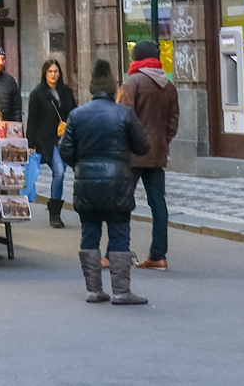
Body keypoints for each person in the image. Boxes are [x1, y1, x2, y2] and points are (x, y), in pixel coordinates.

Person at [60, 59, 150, 305]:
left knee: (90, 231)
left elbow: (65, 151)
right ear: (113, 89)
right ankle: (121, 291)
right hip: (118, 184)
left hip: (86, 185)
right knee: (120, 231)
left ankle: (93, 290)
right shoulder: (124, 114)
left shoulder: (76, 115)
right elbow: (143, 147)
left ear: (91, 89)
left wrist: (82, 166)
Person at [117, 41, 178, 270]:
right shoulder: (168, 86)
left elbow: (123, 117)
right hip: (157, 153)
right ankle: (158, 255)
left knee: (121, 203)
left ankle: (116, 252)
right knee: (158, 203)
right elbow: (173, 122)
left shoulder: (133, 82)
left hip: (133, 155)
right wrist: (161, 142)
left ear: (137, 59)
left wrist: (129, 145)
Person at [24, 59, 77, 227]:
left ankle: (55, 209)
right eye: (50, 72)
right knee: (59, 171)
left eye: (56, 71)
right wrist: (30, 145)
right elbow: (32, 121)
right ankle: (55, 213)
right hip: (47, 140)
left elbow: (75, 113)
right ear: (44, 74)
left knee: (59, 174)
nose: (53, 75)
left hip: (65, 139)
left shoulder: (66, 92)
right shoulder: (37, 94)